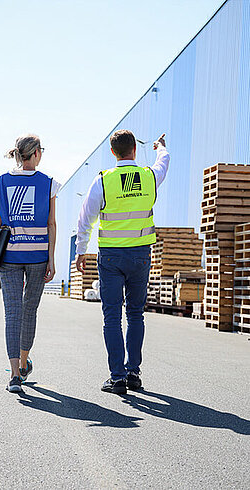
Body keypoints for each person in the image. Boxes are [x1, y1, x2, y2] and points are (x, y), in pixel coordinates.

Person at [76, 130, 169, 394]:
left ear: (113, 152)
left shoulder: (103, 181)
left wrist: (81, 251)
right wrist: (160, 147)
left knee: (112, 317)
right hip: (140, 255)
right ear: (134, 151)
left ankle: (117, 377)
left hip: (112, 257)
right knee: (136, 314)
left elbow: (85, 219)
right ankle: (133, 373)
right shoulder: (149, 177)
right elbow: (164, 161)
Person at [0, 134, 61, 393]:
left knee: (12, 313)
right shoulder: (49, 184)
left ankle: (15, 374)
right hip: (38, 256)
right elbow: (51, 224)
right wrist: (51, 258)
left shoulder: (2, 181)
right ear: (37, 153)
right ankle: (25, 360)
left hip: (9, 256)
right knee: (30, 311)